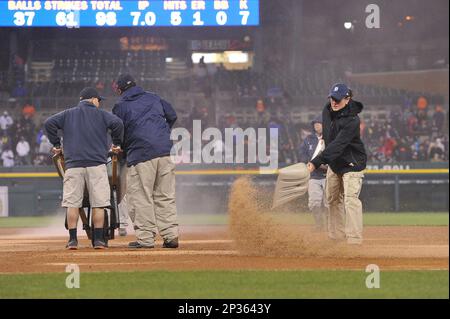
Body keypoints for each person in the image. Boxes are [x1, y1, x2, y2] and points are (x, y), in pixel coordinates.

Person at [44, 87, 123, 250]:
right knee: (98, 204)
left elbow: (49, 123)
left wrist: (57, 144)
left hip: (73, 165)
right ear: (93, 99)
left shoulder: (68, 114)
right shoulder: (101, 114)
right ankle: (99, 240)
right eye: (98, 100)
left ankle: (72, 240)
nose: (99, 103)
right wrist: (116, 143)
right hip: (96, 164)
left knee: (73, 204)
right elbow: (118, 123)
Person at [112, 74, 179, 249]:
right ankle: (171, 236)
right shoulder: (154, 97)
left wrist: (120, 146)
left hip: (140, 154)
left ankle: (146, 239)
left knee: (141, 197)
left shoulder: (120, 106)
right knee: (165, 196)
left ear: (119, 90)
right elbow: (172, 115)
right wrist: (161, 134)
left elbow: (118, 131)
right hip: (164, 152)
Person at [307, 83, 367, 245]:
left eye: (338, 99)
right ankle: (336, 237)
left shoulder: (352, 121)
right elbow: (328, 137)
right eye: (332, 98)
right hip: (335, 163)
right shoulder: (327, 110)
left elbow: (338, 144)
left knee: (350, 200)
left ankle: (354, 240)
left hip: (352, 163)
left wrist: (317, 161)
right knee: (332, 200)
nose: (334, 102)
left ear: (347, 99)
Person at [298, 115, 328, 232]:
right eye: (315, 123)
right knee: (314, 203)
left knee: (328, 205)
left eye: (319, 123)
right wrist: (309, 162)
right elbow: (302, 154)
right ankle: (319, 224)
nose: (316, 125)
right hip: (314, 176)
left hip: (328, 176)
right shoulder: (309, 139)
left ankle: (331, 226)